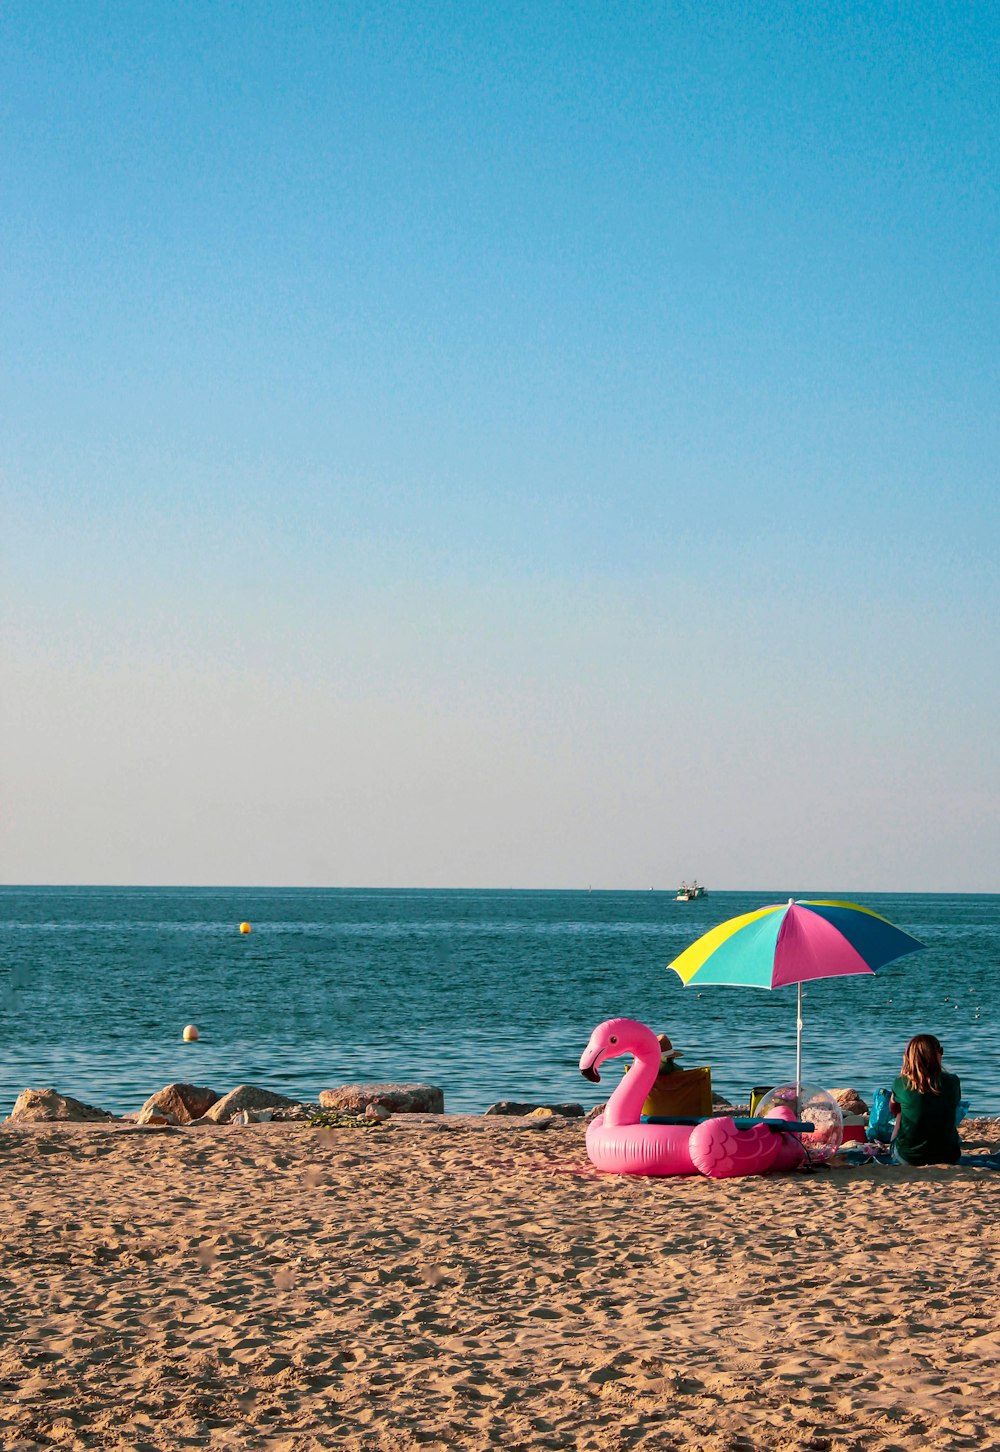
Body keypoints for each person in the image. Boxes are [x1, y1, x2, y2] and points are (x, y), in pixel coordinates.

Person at [889, 1034, 961, 1166]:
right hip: (949, 1157)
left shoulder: (900, 1083)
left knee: (900, 1112)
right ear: (937, 1054)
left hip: (908, 1158)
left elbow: (892, 1109)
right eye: (941, 1051)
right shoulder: (953, 1081)